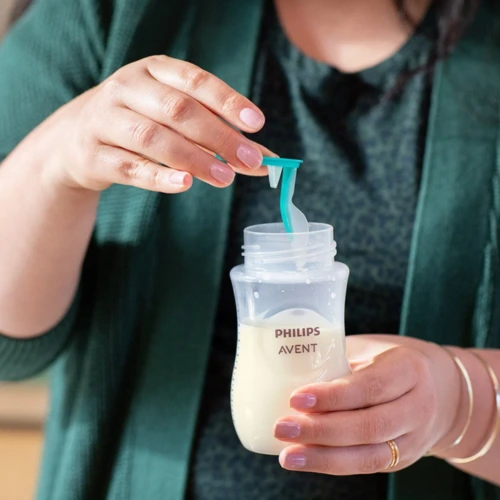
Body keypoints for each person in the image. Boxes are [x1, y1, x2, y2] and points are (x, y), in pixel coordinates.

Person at [0, 0, 499, 498]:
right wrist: (56, 162)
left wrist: (465, 404)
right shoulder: (107, 16)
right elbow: (12, 346)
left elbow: (468, 408)